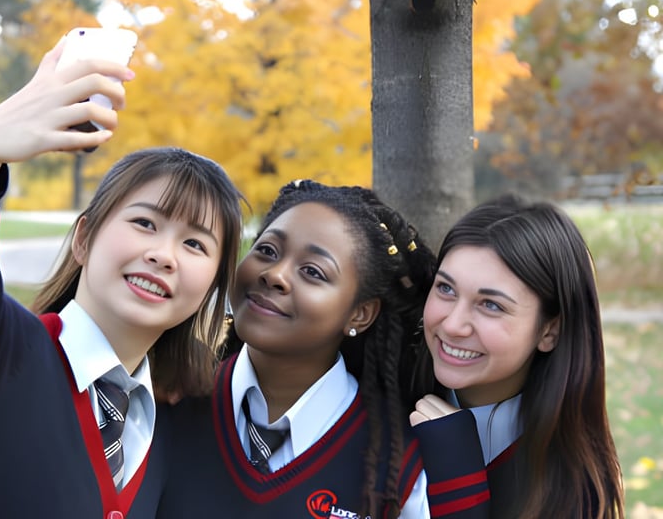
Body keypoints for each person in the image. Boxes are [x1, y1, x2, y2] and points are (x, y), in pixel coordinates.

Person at [0, 37, 245, 518]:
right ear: (83, 239)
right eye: (145, 223)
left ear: (211, 287)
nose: (164, 255)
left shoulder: (178, 416)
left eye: (195, 244)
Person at [153, 179, 439, 518]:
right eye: (267, 251)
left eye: (313, 271)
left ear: (359, 314)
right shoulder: (164, 399)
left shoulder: (401, 463)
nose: (275, 275)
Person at [408, 194, 625, 518]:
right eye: (446, 289)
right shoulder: (380, 401)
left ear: (549, 331)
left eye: (491, 305)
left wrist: (457, 476)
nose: (452, 325)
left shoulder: (576, 485)